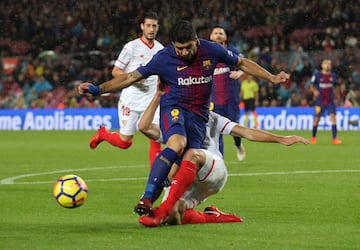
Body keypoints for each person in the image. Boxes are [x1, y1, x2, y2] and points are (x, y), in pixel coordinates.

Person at [78, 20, 290, 216]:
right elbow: (130, 77)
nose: (184, 52)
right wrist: (98, 89)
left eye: (188, 47)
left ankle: (167, 207)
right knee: (177, 143)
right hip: (173, 108)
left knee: (178, 167)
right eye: (179, 48)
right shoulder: (164, 58)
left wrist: (270, 77)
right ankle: (146, 198)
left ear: (197, 40)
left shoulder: (212, 50)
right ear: (173, 45)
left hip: (199, 117)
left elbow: (242, 63)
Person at [136, 84, 308, 227]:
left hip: (213, 170)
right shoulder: (173, 124)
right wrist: (157, 95)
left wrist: (281, 139)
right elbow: (144, 127)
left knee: (191, 153)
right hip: (188, 179)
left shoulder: (212, 118)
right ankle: (214, 217)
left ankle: (162, 210)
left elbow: (245, 132)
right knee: (174, 217)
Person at [88, 11, 164, 167]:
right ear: (142, 26)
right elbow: (116, 71)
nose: (151, 29)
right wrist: (135, 79)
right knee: (125, 143)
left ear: (158, 28)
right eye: (148, 25)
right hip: (131, 100)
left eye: (154, 26)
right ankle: (103, 134)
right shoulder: (131, 47)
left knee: (155, 138)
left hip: (151, 101)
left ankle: (156, 181)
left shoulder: (161, 49)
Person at [209, 25, 245, 161]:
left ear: (225, 37)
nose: (218, 35)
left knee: (234, 129)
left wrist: (239, 72)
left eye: (221, 33)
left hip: (231, 99)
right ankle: (220, 161)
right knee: (217, 132)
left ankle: (238, 144)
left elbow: (246, 65)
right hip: (214, 101)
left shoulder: (232, 51)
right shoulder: (207, 54)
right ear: (211, 37)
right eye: (215, 33)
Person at [309, 59, 342, 145]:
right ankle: (313, 137)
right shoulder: (317, 75)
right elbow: (311, 86)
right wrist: (314, 91)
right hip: (320, 101)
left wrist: (338, 97)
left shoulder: (333, 75)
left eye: (329, 64)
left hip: (330, 101)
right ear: (322, 65)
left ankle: (335, 139)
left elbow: (336, 87)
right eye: (326, 63)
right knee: (316, 119)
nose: (328, 65)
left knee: (333, 118)